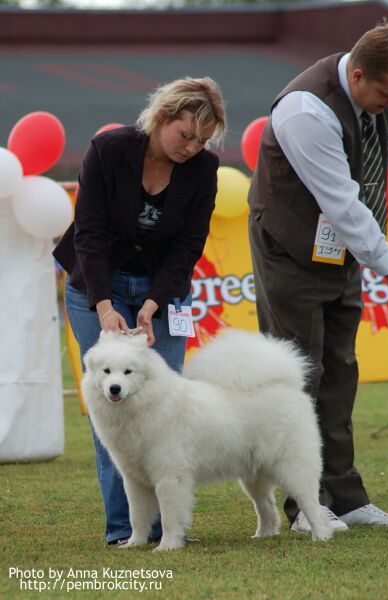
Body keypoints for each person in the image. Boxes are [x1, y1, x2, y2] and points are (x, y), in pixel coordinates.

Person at [53, 76, 226, 545]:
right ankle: (125, 530)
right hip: (95, 282)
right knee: (111, 404)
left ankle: (169, 528)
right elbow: (87, 231)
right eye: (184, 134)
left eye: (202, 140)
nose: (191, 147)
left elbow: (189, 244)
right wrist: (105, 307)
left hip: (162, 288)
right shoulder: (108, 149)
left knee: (168, 409)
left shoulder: (203, 169)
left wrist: (154, 303)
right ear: (162, 118)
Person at [248, 19, 388, 532]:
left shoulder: (384, 92)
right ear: (358, 75)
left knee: (341, 369)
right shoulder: (305, 111)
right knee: (299, 376)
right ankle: (301, 508)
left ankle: (347, 497)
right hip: (288, 249)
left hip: (340, 255)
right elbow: (342, 203)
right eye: (385, 96)